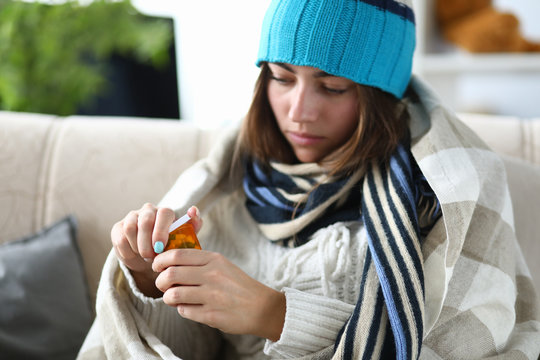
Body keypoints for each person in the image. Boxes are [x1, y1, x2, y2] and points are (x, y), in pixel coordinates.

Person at [78, 0, 540, 359]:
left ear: (381, 95)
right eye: (282, 78)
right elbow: (197, 348)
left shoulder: (450, 188)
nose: (298, 112)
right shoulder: (230, 180)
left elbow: (467, 347)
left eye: (333, 87)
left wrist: (275, 315)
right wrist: (148, 277)